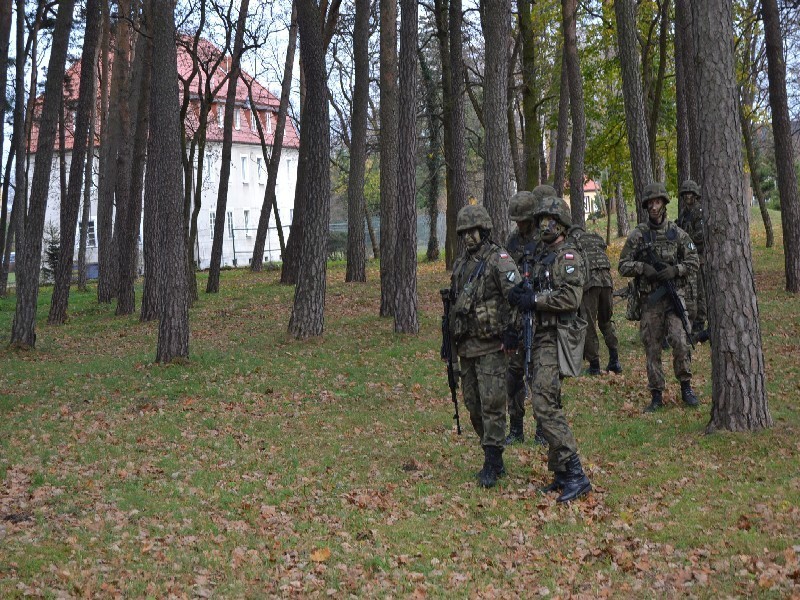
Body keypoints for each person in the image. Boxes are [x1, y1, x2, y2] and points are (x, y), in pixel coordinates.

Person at [507, 196, 592, 503]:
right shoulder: (541, 256)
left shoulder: (567, 256)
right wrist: (522, 295)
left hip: (557, 337)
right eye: (541, 221)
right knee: (546, 400)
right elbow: (534, 289)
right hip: (538, 335)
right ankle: (560, 472)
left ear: (561, 225)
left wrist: (536, 300)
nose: (544, 226)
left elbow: (570, 298)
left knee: (543, 403)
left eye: (550, 221)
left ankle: (575, 472)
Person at [447, 204, 520, 488]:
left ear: (484, 230)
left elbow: (516, 295)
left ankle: (493, 460)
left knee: (492, 404)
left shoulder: (498, 259)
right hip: (466, 345)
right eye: (464, 232)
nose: (468, 237)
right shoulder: (462, 263)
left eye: (473, 231)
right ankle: (490, 448)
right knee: (472, 404)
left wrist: (511, 332)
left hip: (491, 345)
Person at [618, 182, 700, 412]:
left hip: (673, 298)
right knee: (652, 347)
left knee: (680, 340)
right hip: (650, 300)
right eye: (650, 203)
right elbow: (622, 265)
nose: (654, 207)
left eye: (657, 202)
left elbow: (694, 260)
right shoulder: (639, 235)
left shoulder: (677, 234)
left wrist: (676, 270)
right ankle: (656, 394)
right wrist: (643, 268)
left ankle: (686, 387)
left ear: (664, 204)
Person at [503, 185, 555, 446]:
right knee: (513, 375)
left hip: (539, 314)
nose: (520, 226)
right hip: (516, 315)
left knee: (537, 375)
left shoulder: (545, 240)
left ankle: (542, 429)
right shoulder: (512, 242)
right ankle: (515, 427)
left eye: (524, 221)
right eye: (517, 221)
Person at [569, 226, 622, 375]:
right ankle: (614, 360)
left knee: (589, 324)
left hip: (590, 283)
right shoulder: (595, 237)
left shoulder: (572, 241)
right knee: (606, 321)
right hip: (607, 281)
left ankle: (594, 366)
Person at [676, 179, 709, 344]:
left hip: (698, 259)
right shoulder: (683, 213)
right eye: (685, 193)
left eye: (690, 193)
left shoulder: (699, 212)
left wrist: (686, 242)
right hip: (686, 260)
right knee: (690, 292)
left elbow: (700, 236)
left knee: (700, 293)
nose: (688, 196)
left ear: (695, 195)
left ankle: (699, 325)